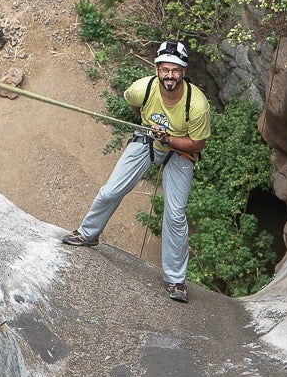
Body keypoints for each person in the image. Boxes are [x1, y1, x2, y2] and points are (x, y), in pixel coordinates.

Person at [62, 40, 211, 302]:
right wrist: (151, 128)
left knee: (175, 214)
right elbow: (136, 107)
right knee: (111, 190)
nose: (170, 76)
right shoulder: (141, 89)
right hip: (148, 139)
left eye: (175, 70)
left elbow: (198, 143)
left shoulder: (197, 105)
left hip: (180, 150)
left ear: (184, 72)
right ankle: (87, 235)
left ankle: (176, 281)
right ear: (157, 69)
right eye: (165, 69)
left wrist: (169, 140)